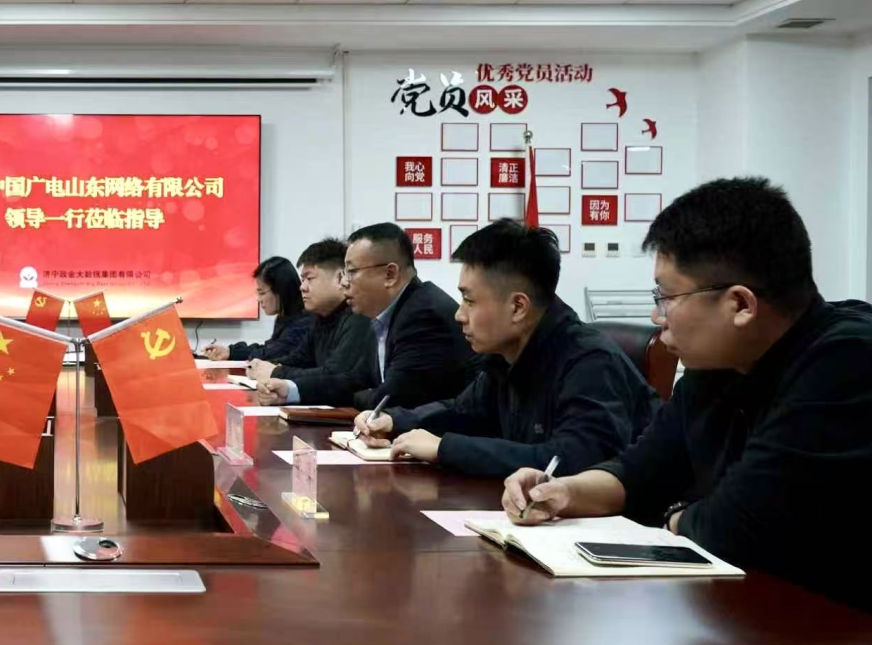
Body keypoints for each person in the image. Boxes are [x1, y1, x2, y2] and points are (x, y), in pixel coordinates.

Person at [502, 178, 872, 611]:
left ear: (740, 305)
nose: (656, 314)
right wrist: (564, 492)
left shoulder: (847, 360)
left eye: (666, 297)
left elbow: (735, 529)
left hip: (837, 632)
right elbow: (639, 472)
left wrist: (675, 515)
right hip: (751, 614)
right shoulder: (716, 367)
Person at [355, 220, 658, 478]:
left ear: (517, 307)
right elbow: (462, 411)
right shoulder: (505, 356)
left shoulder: (589, 361)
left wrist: (445, 448)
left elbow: (570, 462)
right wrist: (395, 421)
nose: (459, 314)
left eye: (469, 301)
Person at [302, 222, 475, 409]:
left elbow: (389, 399)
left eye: (351, 272)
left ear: (390, 274)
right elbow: (355, 380)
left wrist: (364, 394)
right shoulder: (384, 315)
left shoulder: (423, 317)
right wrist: (290, 390)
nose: (344, 282)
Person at [250, 240, 373, 407]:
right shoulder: (320, 317)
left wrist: (277, 372)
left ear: (339, 278)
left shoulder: (358, 316)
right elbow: (298, 359)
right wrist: (265, 366)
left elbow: (334, 374)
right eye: (302, 280)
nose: (303, 287)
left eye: (309, 279)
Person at [203, 256, 313, 364]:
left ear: (281, 290)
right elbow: (270, 348)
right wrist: (230, 352)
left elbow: (273, 354)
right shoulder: (285, 317)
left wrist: (234, 353)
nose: (259, 299)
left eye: (262, 293)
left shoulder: (305, 321)